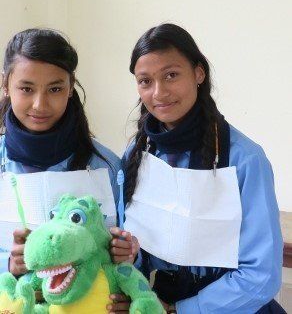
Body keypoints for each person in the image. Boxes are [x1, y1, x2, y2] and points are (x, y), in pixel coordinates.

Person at [113, 23, 284, 314]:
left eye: (171, 75)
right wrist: (131, 266)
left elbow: (262, 276)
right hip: (158, 302)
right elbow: (136, 251)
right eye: (145, 81)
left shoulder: (244, 160)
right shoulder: (136, 155)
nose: (159, 92)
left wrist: (181, 310)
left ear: (199, 73)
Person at [0, 27, 128, 313]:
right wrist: (9, 264)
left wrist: (129, 259)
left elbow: (129, 252)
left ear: (71, 88)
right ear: (5, 85)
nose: (40, 104)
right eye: (26, 88)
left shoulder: (105, 166)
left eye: (55, 89)